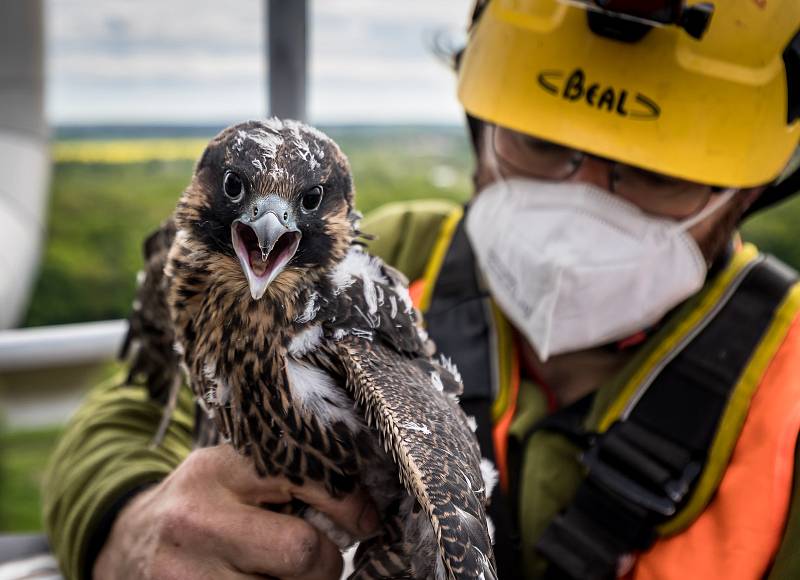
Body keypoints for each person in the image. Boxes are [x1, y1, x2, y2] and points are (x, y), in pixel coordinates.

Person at [43, 0, 800, 578]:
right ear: (482, 128)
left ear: (741, 195)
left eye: (656, 172)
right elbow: (132, 412)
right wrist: (131, 521)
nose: (587, 198)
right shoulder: (382, 268)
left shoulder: (786, 382)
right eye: (542, 145)